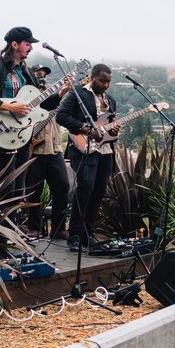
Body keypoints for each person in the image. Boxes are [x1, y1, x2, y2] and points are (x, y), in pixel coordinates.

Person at [0, 27, 60, 204]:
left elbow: (39, 107)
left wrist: (61, 94)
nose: (31, 48)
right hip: (0, 133)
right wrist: (10, 107)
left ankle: (14, 230)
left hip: (22, 137)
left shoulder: (26, 73)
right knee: (4, 191)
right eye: (28, 43)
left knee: (19, 190)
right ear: (14, 44)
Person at [56, 63, 121, 252]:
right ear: (92, 77)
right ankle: (74, 235)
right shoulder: (79, 93)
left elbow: (110, 127)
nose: (105, 85)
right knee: (85, 189)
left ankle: (88, 234)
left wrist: (114, 129)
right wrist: (85, 128)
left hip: (105, 151)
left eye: (108, 81)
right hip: (84, 148)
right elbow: (61, 116)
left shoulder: (111, 101)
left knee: (99, 192)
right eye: (102, 81)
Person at [22, 65, 72, 240]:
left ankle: (58, 228)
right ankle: (33, 227)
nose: (42, 77)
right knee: (33, 190)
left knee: (63, 186)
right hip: (34, 150)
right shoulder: (27, 100)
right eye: (38, 74)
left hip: (55, 149)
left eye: (44, 75)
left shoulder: (54, 98)